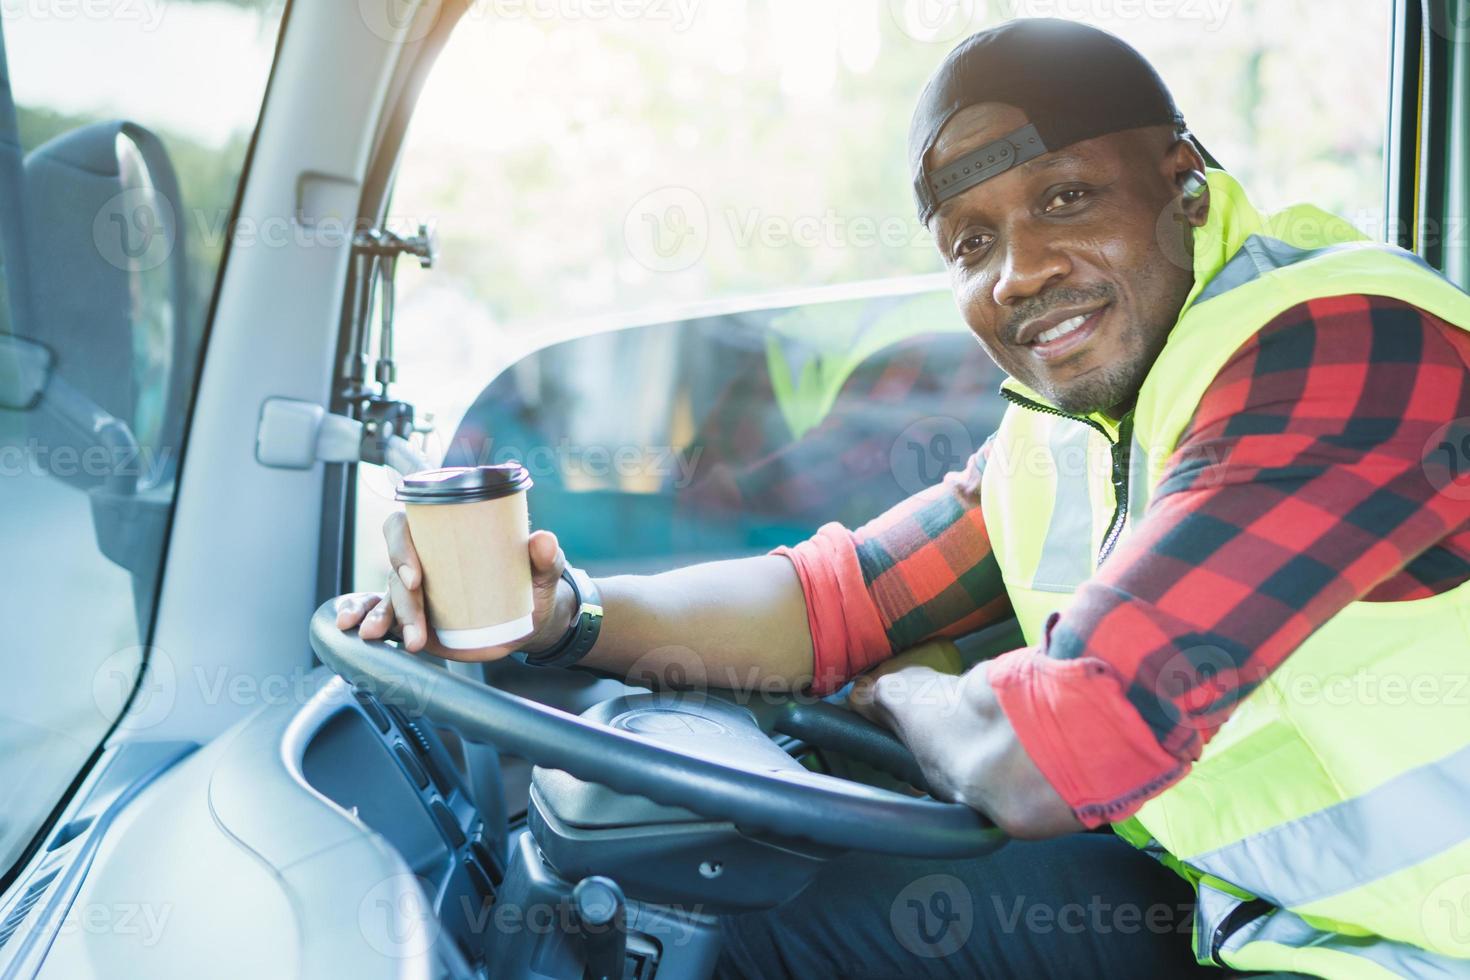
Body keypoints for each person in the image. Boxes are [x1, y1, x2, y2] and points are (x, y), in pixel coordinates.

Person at [337, 19, 1470, 979]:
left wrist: (913, 699)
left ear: (1186, 183)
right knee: (742, 916)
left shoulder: (1346, 348)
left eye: (1067, 196)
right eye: (972, 242)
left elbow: (1049, 747)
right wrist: (568, 611)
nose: (1018, 272)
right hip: (1256, 917)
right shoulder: (1072, 431)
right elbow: (828, 600)